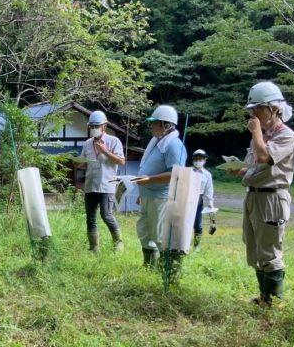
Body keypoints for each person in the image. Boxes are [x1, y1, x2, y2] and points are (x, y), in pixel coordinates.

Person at [229, 81, 294, 307]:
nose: (253, 113)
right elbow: (253, 163)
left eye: (258, 108)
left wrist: (256, 131)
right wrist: (238, 169)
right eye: (251, 109)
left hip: (272, 197)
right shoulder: (263, 134)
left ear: (274, 108)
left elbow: (263, 158)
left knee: (269, 251)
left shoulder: (286, 135)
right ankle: (264, 297)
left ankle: (275, 302)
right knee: (254, 248)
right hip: (253, 195)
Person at [133, 105, 187, 269]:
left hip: (161, 197)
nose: (151, 126)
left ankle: (165, 270)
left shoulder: (174, 145)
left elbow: (176, 174)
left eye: (154, 123)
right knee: (144, 231)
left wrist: (149, 179)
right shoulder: (157, 143)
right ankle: (148, 266)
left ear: (165, 125)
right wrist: (143, 189)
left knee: (159, 234)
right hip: (147, 194)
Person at [77, 110, 126, 252]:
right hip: (90, 185)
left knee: (106, 215)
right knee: (90, 217)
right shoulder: (87, 143)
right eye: (91, 126)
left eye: (96, 126)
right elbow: (83, 162)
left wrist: (105, 151)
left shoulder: (113, 141)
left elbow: (121, 161)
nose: (93, 129)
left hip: (107, 185)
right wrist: (79, 163)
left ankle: (118, 242)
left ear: (104, 126)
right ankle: (94, 247)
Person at [191, 149, 214, 252]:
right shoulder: (188, 171)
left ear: (205, 160)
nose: (198, 161)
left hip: (199, 199)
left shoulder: (207, 174)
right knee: (185, 223)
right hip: (187, 197)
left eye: (200, 159)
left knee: (198, 224)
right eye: (196, 159)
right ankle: (184, 244)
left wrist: (210, 203)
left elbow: (209, 189)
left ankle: (196, 247)